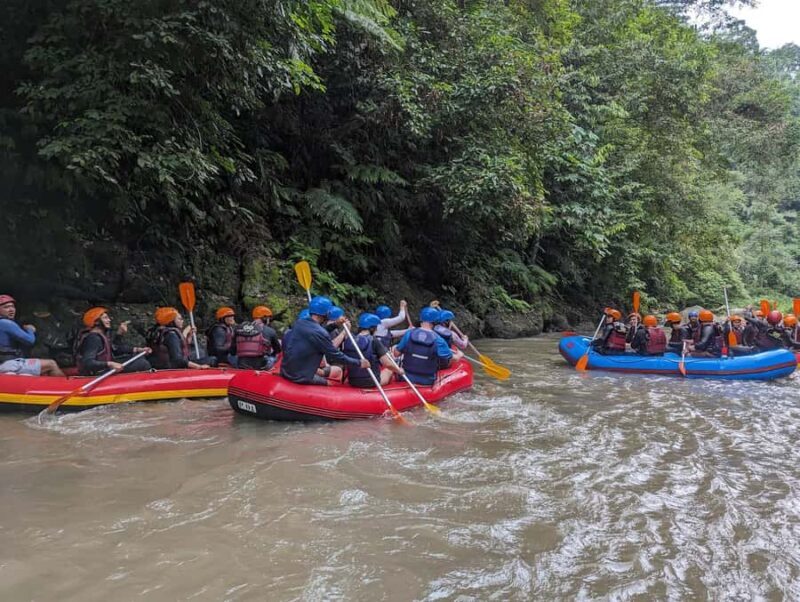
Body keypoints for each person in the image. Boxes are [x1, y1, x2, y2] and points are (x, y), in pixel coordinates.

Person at [280, 296, 368, 386]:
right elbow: (335, 355)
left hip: (286, 371)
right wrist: (359, 362)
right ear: (326, 313)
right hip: (300, 377)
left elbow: (317, 333)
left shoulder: (300, 323)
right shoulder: (319, 332)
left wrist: (335, 324)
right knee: (332, 384)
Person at [74, 307, 151, 376]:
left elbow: (116, 349)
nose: (109, 320)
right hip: (99, 373)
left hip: (104, 368)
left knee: (139, 358)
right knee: (143, 364)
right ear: (97, 322)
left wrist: (138, 350)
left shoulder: (100, 335)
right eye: (105, 318)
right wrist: (109, 364)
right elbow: (88, 362)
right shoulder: (93, 338)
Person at [0, 294, 64, 376]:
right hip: (8, 363)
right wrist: (30, 330)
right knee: (51, 364)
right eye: (6, 307)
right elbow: (29, 340)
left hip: (6, 363)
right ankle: (69, 387)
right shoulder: (6, 323)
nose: (11, 310)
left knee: (42, 369)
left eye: (12, 307)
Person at [393, 307, 454, 386]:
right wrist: (459, 355)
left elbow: (396, 354)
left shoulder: (409, 334)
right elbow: (450, 358)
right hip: (427, 380)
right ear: (435, 322)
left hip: (406, 377)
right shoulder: (439, 340)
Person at [342, 313, 404, 387]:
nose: (377, 329)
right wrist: (399, 370)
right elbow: (387, 363)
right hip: (371, 381)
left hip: (352, 381)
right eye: (376, 327)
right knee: (389, 370)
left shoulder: (350, 340)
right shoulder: (374, 341)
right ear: (372, 328)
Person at [147, 307, 216, 370]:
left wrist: (189, 336)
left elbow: (180, 348)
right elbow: (178, 360)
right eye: (179, 319)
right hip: (172, 367)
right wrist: (199, 366)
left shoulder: (156, 331)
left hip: (162, 365)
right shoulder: (171, 335)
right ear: (171, 321)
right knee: (212, 360)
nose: (182, 321)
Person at [236, 306, 282, 370]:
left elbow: (233, 351)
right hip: (261, 365)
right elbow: (278, 350)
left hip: (241, 364)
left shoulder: (239, 329)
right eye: (269, 318)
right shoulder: (270, 330)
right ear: (265, 318)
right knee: (275, 357)